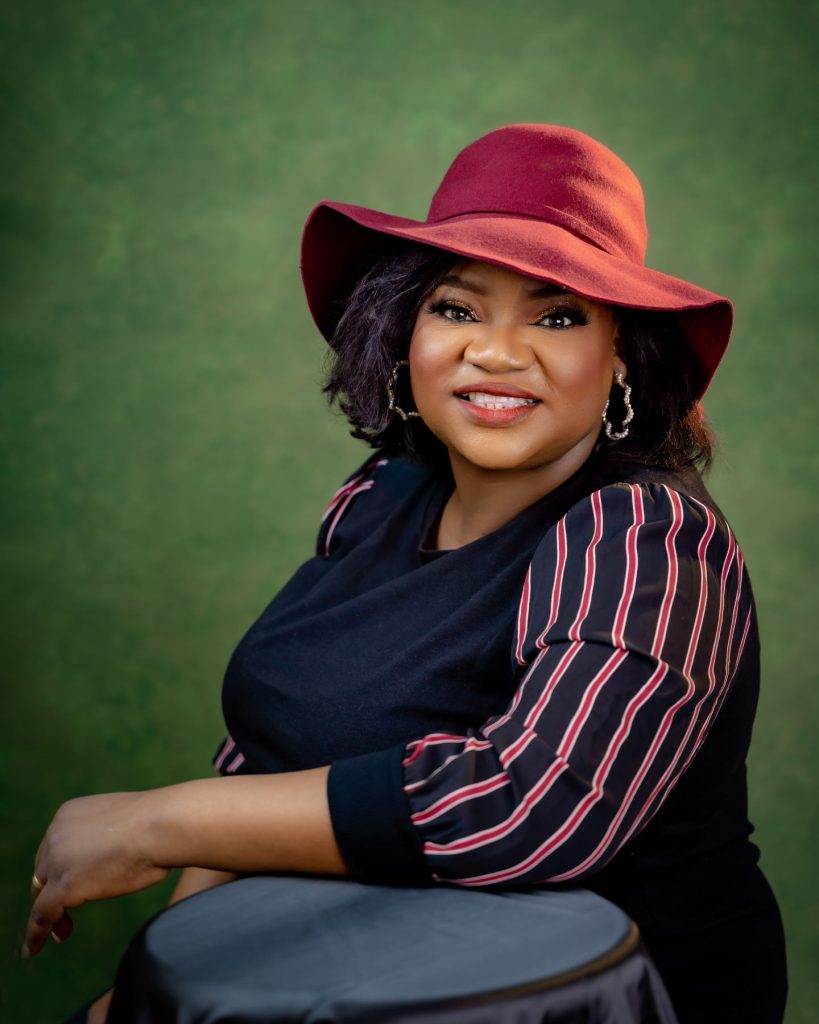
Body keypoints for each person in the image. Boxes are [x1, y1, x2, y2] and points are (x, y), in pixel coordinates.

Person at [29, 124, 786, 1024]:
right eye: (457, 309)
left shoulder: (645, 535)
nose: (497, 353)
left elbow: (530, 807)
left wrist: (158, 820)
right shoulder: (382, 493)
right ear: (401, 332)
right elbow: (272, 759)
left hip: (580, 997)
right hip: (345, 972)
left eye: (556, 316)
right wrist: (169, 980)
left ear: (619, 353)